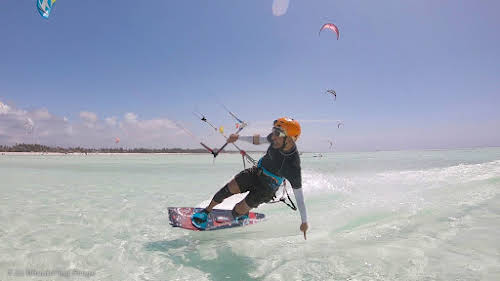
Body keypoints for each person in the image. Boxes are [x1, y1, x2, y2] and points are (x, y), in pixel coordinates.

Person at [191, 117, 308, 239]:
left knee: (237, 211)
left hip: (267, 189)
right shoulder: (276, 139)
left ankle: (242, 213)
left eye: (278, 132)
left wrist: (304, 221)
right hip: (256, 173)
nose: (273, 135)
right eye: (274, 130)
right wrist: (238, 138)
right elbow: (258, 140)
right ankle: (206, 211)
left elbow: (299, 196)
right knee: (225, 191)